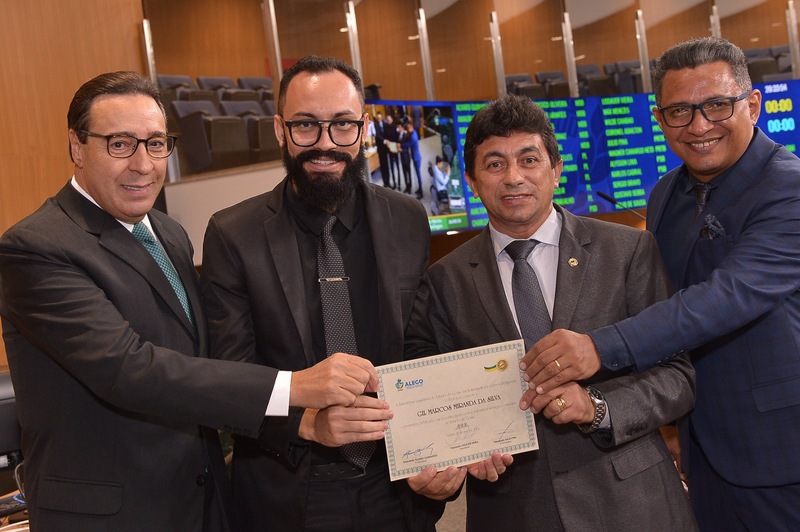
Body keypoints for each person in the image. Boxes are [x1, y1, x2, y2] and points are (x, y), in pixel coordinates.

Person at [0, 71, 379, 531]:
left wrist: (301, 421)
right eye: (120, 144)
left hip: (198, 502)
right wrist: (295, 387)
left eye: (156, 144)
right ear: (77, 147)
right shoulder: (35, 246)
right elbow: (128, 369)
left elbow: (202, 358)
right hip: (111, 517)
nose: (143, 164)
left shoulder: (168, 233)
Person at [522, 36, 800, 530]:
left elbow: (727, 296)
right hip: (698, 446)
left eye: (717, 105)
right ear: (659, 118)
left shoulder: (789, 187)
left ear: (753, 105)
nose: (699, 126)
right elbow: (657, 302)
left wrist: (599, 347)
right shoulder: (666, 193)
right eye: (679, 112)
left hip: (778, 450)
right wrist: (663, 420)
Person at [405, 94, 697, 530]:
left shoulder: (628, 250)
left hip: (632, 504)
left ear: (556, 170)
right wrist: (454, 456)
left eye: (529, 159)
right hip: (513, 510)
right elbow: (437, 399)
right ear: (471, 181)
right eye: (495, 164)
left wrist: (597, 407)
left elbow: (678, 376)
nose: (514, 177)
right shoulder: (443, 280)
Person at [200, 55, 445, 531]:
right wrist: (306, 423)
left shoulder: (408, 217)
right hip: (290, 488)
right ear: (280, 130)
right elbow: (231, 375)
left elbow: (420, 346)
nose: (326, 143)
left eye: (342, 125)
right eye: (306, 125)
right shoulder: (232, 234)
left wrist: (439, 443)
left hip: (396, 484)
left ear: (363, 129)